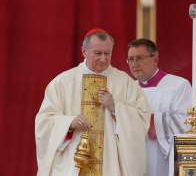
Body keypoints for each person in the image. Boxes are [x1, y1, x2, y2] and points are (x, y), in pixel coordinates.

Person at [35, 28, 151, 176]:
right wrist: (69, 123)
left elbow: (142, 119)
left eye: (107, 53)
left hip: (110, 163)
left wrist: (115, 107)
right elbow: (43, 122)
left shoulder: (125, 82)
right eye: (98, 53)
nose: (103, 59)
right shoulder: (63, 82)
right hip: (73, 162)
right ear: (84, 52)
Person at [127, 38, 192, 176]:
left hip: (163, 159)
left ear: (155, 59)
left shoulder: (178, 85)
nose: (134, 64)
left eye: (139, 58)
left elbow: (187, 122)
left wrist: (148, 121)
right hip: (133, 159)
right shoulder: (128, 89)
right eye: (130, 59)